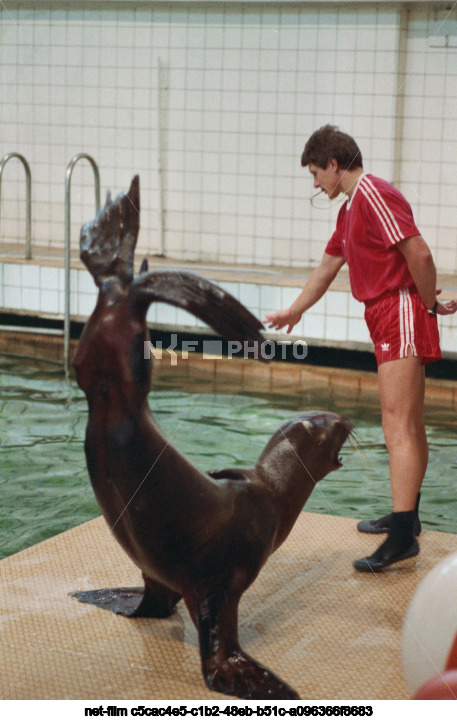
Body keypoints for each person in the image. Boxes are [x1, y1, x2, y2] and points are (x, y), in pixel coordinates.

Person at [264, 124, 457, 572]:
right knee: (409, 422)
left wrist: (425, 304)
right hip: (389, 313)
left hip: (399, 311)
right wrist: (294, 311)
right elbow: (327, 267)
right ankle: (406, 514)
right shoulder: (349, 212)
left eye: (316, 173)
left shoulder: (372, 194)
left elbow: (420, 255)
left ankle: (404, 535)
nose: (315, 183)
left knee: (397, 426)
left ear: (334, 164)